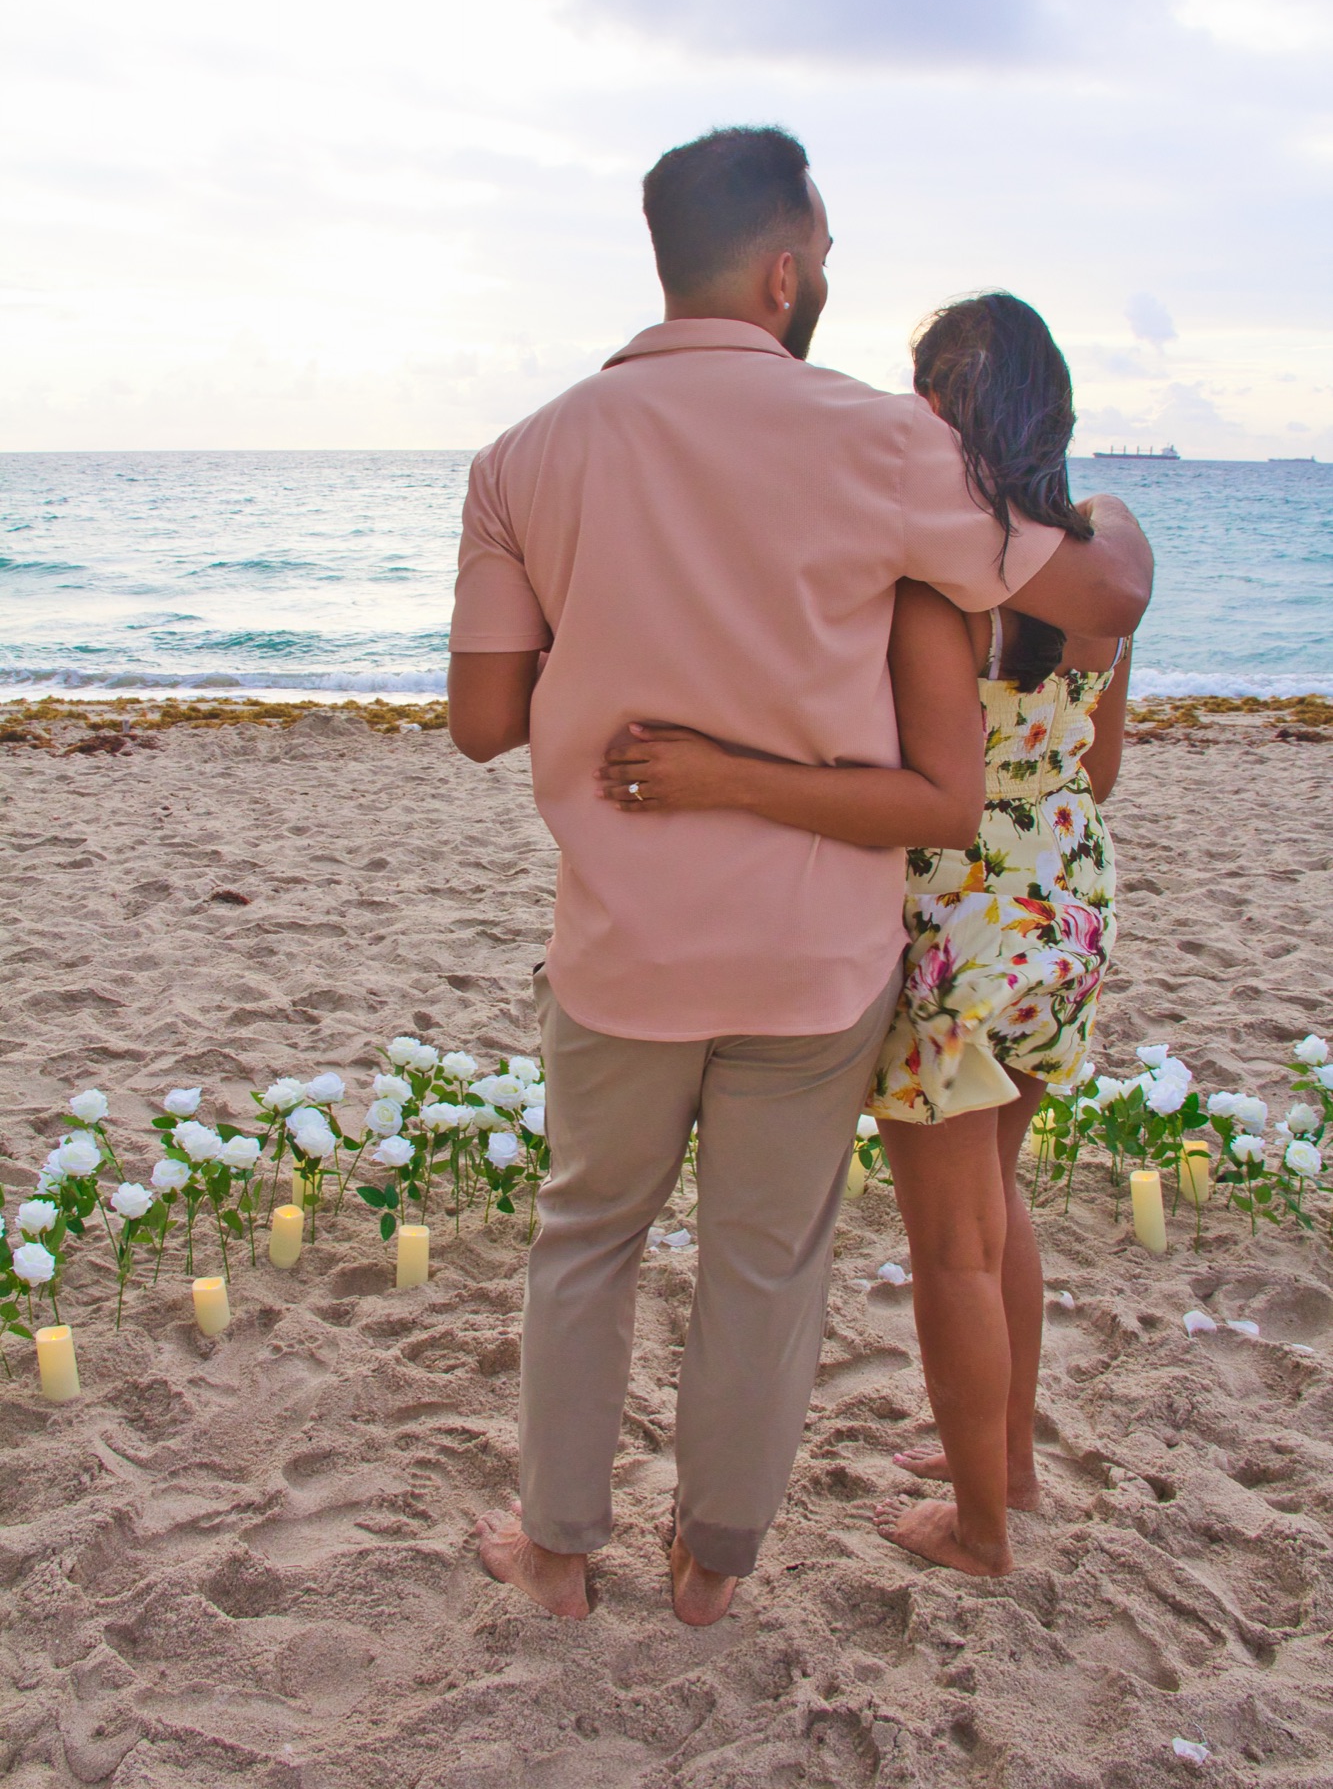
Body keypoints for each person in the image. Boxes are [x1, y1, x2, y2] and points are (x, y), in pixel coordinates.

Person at [448, 128, 1152, 1624]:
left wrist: (620, 638)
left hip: (625, 942)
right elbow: (1091, 593)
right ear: (783, 270)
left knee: (585, 1241)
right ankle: (710, 1571)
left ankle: (560, 1558)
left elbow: (481, 722)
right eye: (821, 257)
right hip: (815, 956)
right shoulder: (879, 442)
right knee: (765, 1264)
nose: (820, 277)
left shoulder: (521, 457)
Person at [597, 292, 1137, 1580]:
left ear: (943, 410)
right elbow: (1101, 770)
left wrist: (723, 772)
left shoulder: (935, 587)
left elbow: (925, 790)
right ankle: (998, 1459)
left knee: (950, 1235)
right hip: (1068, 899)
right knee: (997, 1202)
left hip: (960, 923)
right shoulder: (1101, 555)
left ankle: (986, 1532)